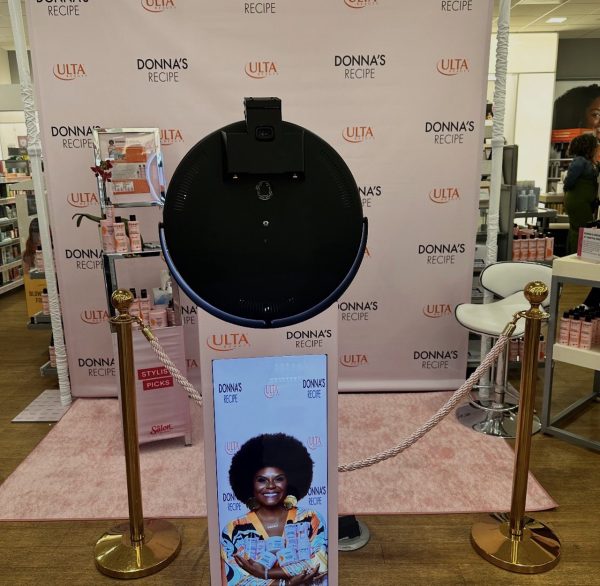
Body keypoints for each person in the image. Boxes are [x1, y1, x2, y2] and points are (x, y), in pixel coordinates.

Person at [221, 433, 327, 585]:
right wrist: (288, 584)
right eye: (261, 480)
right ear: (250, 484)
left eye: (279, 479)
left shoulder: (310, 519)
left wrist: (264, 573)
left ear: (289, 481)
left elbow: (319, 563)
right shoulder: (234, 530)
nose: (271, 485)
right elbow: (238, 581)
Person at [563, 133, 600, 308]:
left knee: (581, 230)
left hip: (583, 201)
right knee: (581, 230)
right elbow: (569, 181)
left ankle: (576, 261)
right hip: (578, 201)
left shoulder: (587, 162)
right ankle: (575, 263)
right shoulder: (579, 162)